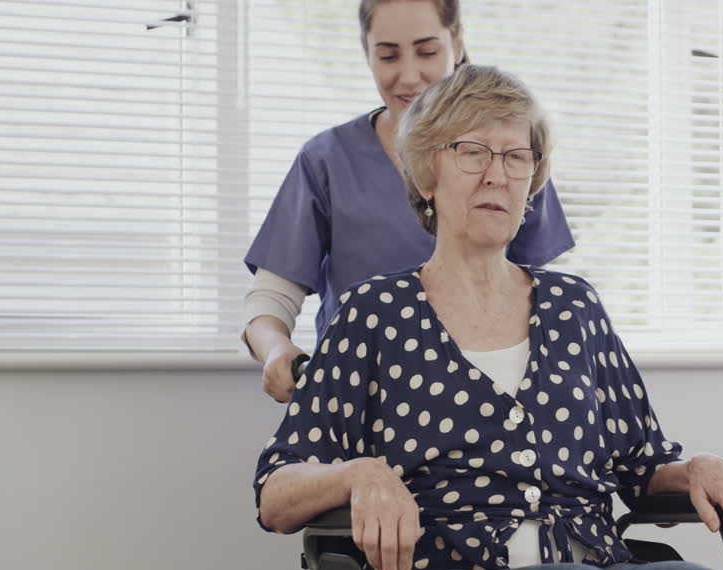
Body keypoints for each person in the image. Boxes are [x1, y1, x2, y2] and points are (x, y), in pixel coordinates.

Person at [252, 64, 723, 570]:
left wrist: (700, 468)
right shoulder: (373, 314)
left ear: (532, 182)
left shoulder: (573, 307)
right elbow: (275, 492)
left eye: (515, 155)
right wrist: (357, 473)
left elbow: (640, 468)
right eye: (471, 151)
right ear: (425, 174)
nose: (497, 172)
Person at [242, 0, 573, 403]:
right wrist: (278, 350)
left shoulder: (510, 159)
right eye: (387, 55)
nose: (409, 75)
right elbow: (273, 295)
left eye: (427, 51)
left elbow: (545, 300)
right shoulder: (328, 161)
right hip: (359, 401)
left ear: (457, 43)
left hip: (489, 405)